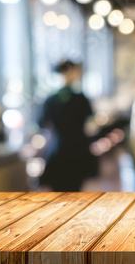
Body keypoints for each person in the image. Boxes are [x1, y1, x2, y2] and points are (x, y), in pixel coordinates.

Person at [38, 60, 98, 191]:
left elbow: (42, 126)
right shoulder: (81, 99)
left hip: (57, 152)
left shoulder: (50, 100)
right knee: (76, 193)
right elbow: (91, 127)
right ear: (69, 71)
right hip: (78, 152)